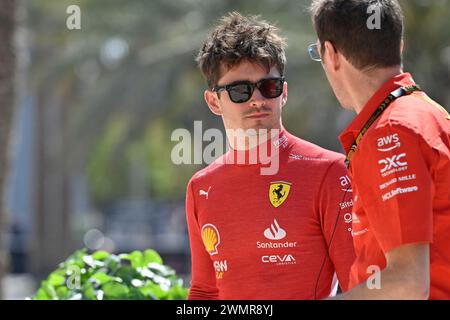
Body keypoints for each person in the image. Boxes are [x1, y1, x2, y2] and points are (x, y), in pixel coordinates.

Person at [185, 12, 354, 300]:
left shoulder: (330, 172)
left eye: (269, 86)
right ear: (214, 101)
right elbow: (204, 292)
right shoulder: (200, 187)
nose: (258, 99)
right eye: (240, 90)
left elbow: (358, 283)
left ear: (283, 92)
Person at [308, 0, 450, 299]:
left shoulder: (390, 131)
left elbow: (408, 283)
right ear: (399, 45)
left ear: (331, 54)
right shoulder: (429, 114)